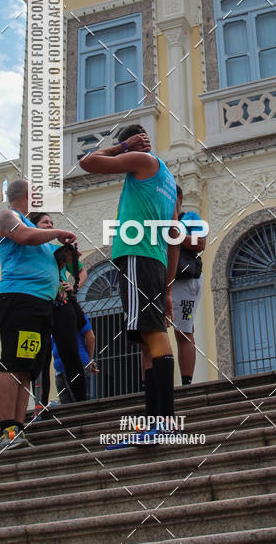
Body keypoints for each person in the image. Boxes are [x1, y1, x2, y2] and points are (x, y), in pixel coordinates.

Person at [79, 123, 179, 446]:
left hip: (137, 255)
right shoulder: (168, 180)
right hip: (155, 261)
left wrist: (123, 148)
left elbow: (88, 163)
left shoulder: (143, 162)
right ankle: (154, 421)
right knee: (145, 342)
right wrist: (167, 287)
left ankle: (164, 421)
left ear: (134, 146)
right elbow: (174, 239)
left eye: (127, 148)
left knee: (152, 335)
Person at [0, 179, 76, 452]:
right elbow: (24, 237)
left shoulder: (40, 234)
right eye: (36, 194)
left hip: (42, 305)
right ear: (28, 195)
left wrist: (66, 255)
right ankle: (6, 429)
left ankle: (18, 427)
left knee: (28, 366)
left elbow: (59, 262)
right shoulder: (9, 216)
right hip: (19, 298)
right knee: (12, 362)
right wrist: (58, 232)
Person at [29, 212, 89, 412]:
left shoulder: (59, 250)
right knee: (41, 357)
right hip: (40, 303)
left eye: (52, 222)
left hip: (62, 304)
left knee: (70, 353)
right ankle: (41, 405)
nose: (50, 224)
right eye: (45, 222)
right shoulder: (29, 248)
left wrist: (75, 286)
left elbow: (81, 270)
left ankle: (81, 402)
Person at [171, 185, 206, 386]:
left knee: (183, 330)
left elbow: (200, 243)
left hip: (184, 281)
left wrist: (175, 234)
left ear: (180, 197)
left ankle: (187, 382)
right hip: (162, 280)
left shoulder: (189, 217)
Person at [52, 309, 98, 403]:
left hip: (76, 364)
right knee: (67, 405)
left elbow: (91, 338)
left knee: (78, 402)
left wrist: (88, 361)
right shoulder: (53, 318)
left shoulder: (76, 315)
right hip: (60, 370)